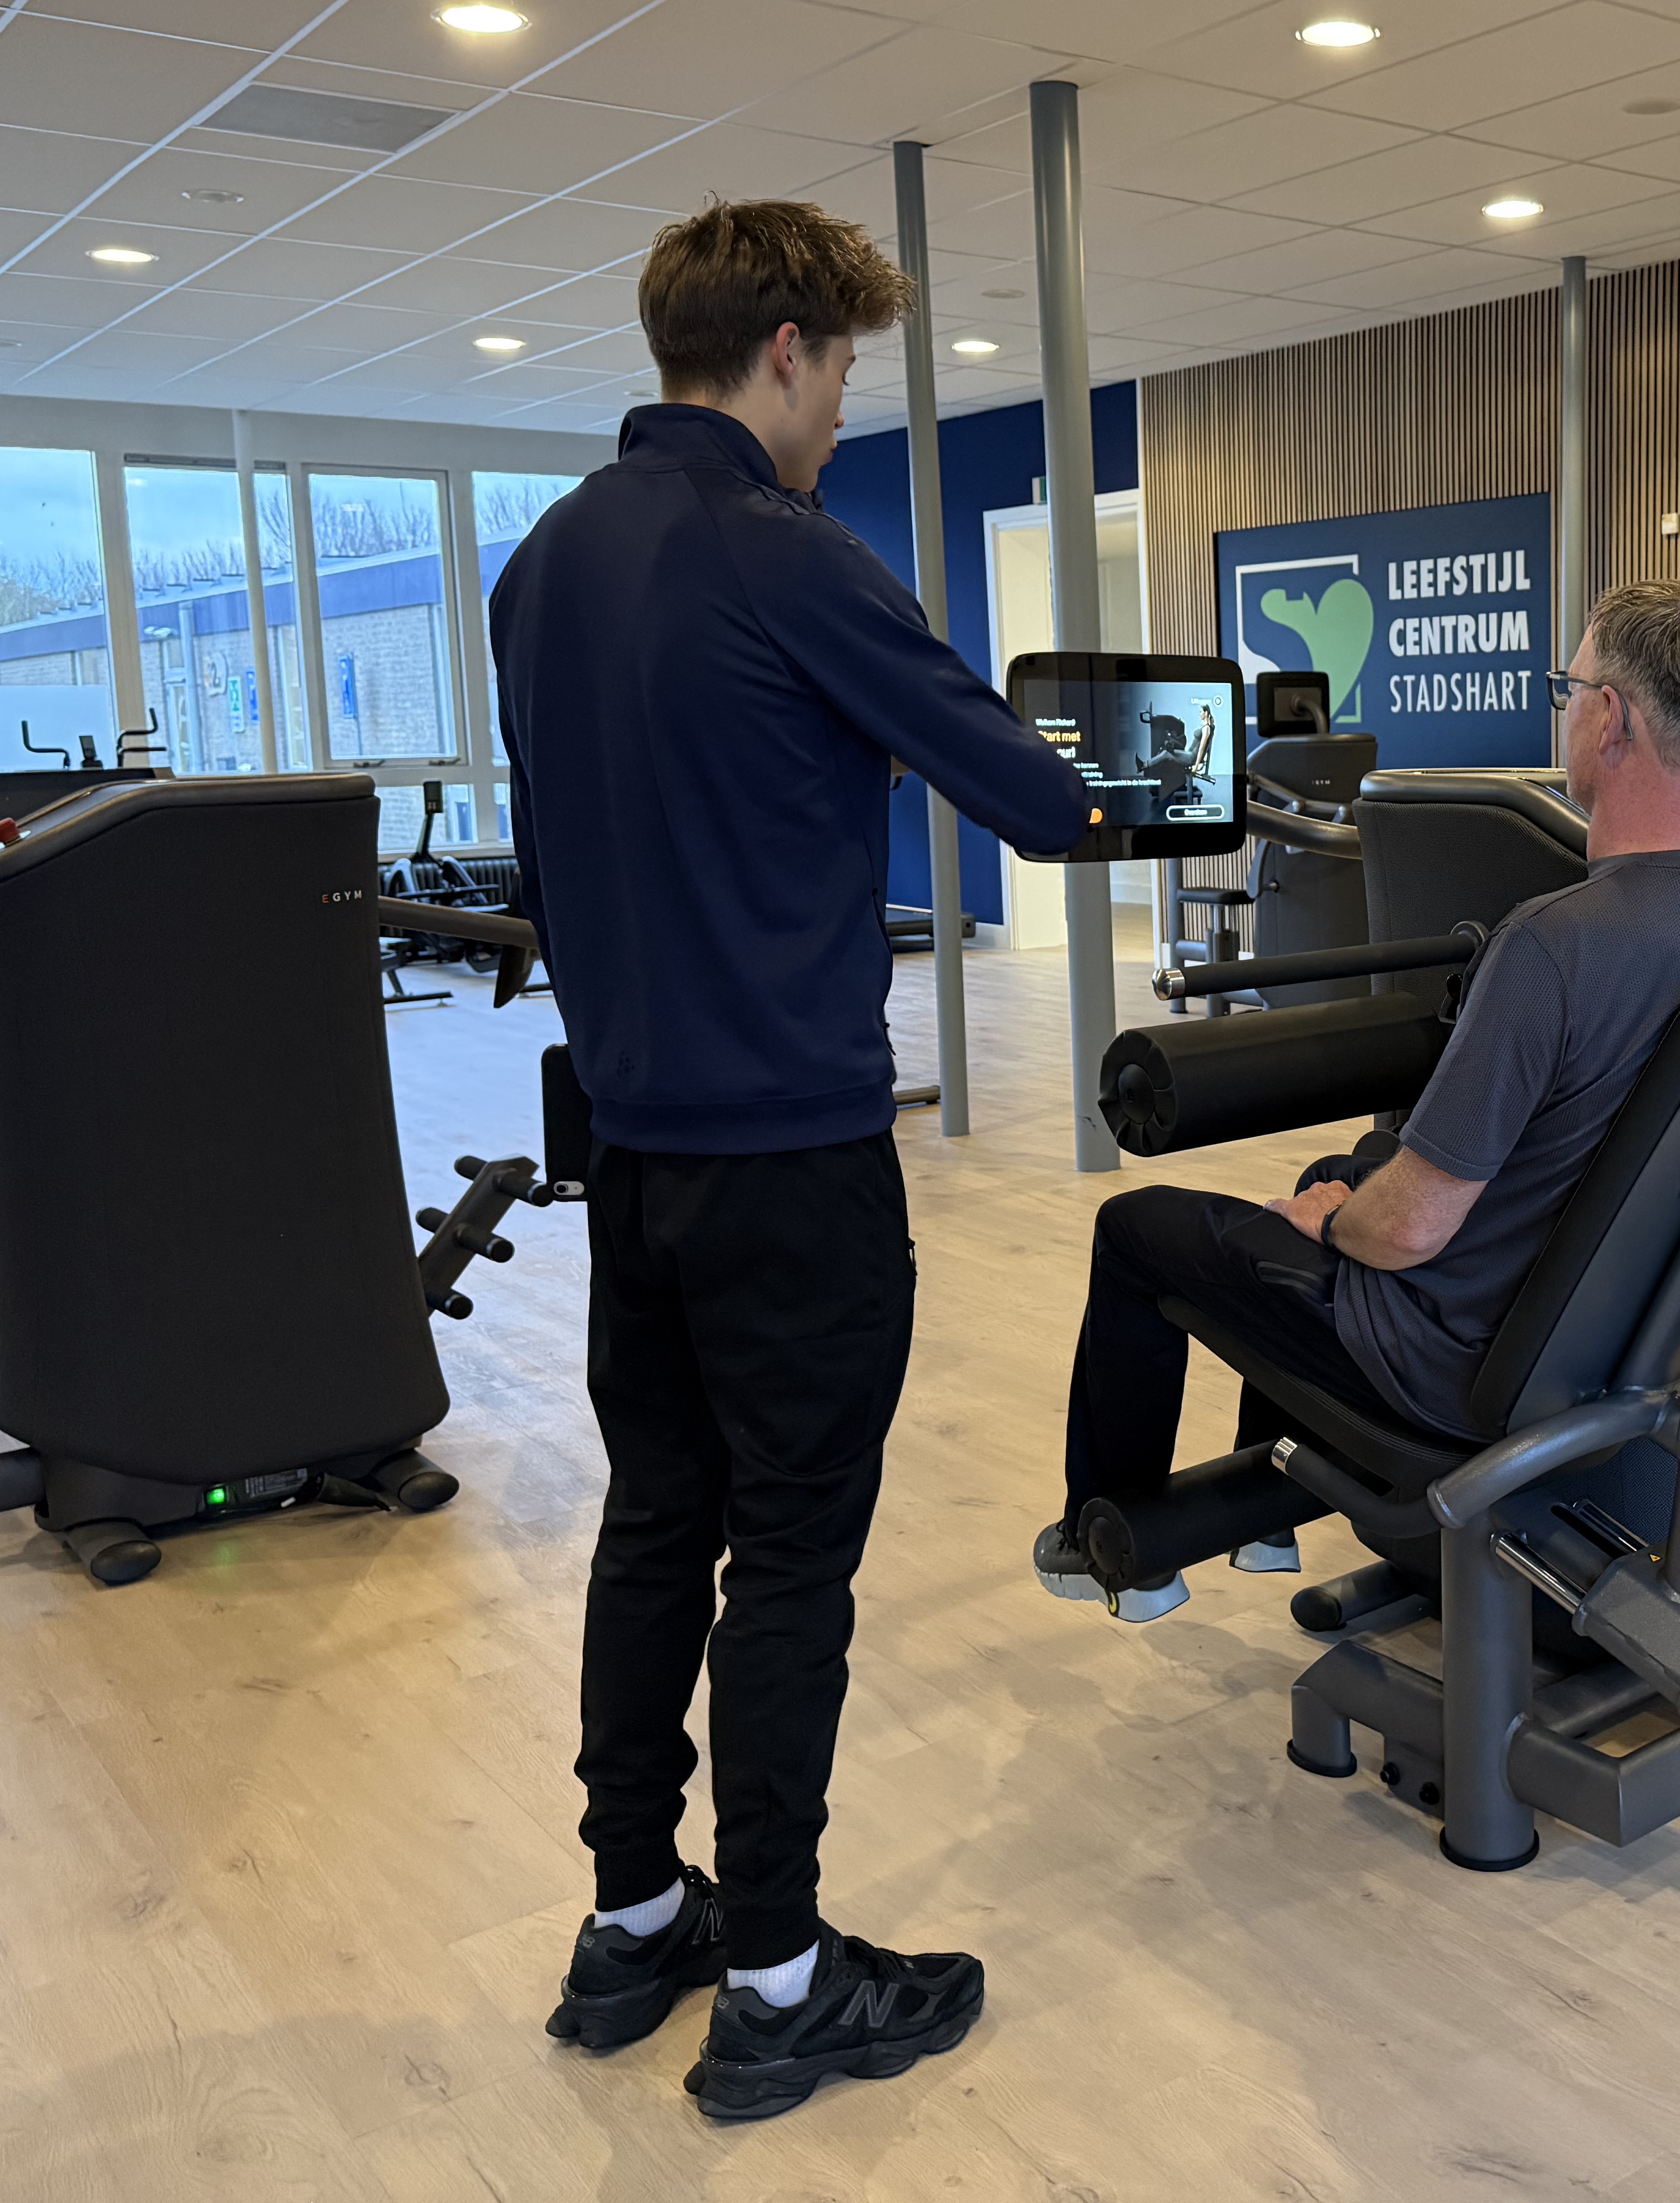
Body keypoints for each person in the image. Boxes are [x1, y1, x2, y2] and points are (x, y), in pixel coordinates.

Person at [490, 198, 1094, 2124]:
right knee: (793, 1564)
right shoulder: (788, 551)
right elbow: (1043, 799)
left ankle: (633, 1919)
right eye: (841, 374)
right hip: (793, 1165)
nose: (841, 412)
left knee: (659, 1521)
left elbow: (572, 848)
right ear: (786, 350)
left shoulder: (541, 565)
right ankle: (774, 1977)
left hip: (635, 1157)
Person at [1034, 578, 1680, 1621]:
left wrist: (1334, 1222)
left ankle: (1109, 1549)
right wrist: (1343, 1194)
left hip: (1457, 1364)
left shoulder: (1553, 945)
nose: (1565, 711)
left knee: (1140, 1229)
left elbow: (1407, 1232)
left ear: (1612, 719)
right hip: (1633, 1335)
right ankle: (1265, 1518)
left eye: (1568, 689)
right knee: (1340, 1171)